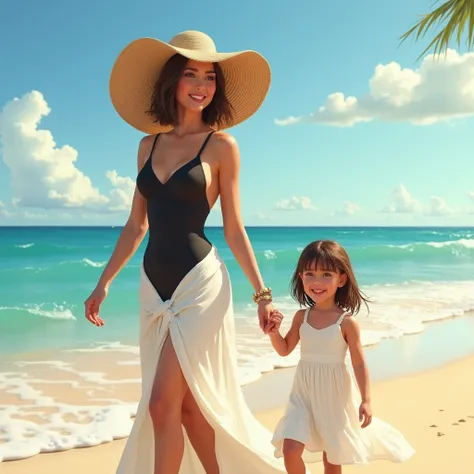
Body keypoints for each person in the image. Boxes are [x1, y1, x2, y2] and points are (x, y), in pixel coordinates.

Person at [83, 30, 287, 474]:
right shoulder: (147, 145)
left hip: (200, 285)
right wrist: (103, 283)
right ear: (172, 80)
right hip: (153, 287)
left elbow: (233, 227)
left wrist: (263, 294)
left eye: (210, 76)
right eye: (191, 73)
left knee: (160, 404)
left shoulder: (221, 146)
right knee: (189, 410)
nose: (202, 84)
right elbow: (137, 224)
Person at [267, 240, 415, 474]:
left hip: (335, 395)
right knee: (290, 449)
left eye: (326, 274)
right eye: (310, 273)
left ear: (341, 279)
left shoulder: (346, 322)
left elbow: (358, 361)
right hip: (303, 393)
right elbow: (284, 349)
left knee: (332, 458)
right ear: (301, 277)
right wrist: (273, 333)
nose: (317, 281)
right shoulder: (300, 317)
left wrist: (366, 399)